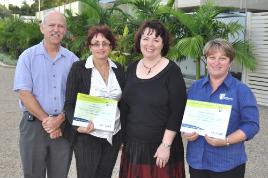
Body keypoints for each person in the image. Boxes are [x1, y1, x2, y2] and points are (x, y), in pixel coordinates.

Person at [13, 10, 79, 178]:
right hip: (34, 126)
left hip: (64, 127)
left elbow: (77, 96)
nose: (56, 29)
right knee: (33, 173)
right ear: (42, 28)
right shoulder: (27, 57)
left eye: (61, 26)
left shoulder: (73, 61)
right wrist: (48, 121)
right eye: (51, 25)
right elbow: (24, 93)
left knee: (60, 174)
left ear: (65, 30)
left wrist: (59, 120)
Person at [119, 20, 187, 178]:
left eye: (156, 40)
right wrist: (123, 139)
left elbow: (177, 111)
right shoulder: (131, 68)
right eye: (146, 38)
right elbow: (125, 106)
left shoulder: (172, 72)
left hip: (161, 148)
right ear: (139, 41)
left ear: (163, 44)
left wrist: (166, 145)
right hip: (134, 146)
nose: (150, 44)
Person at [184, 38, 260, 178]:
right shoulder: (195, 87)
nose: (216, 62)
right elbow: (187, 116)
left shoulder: (241, 90)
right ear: (206, 60)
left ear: (230, 62)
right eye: (212, 57)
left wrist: (226, 140)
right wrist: (188, 132)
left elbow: (252, 125)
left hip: (227, 163)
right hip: (197, 162)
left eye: (222, 58)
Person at [62, 24, 125, 178]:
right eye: (96, 43)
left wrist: (124, 134)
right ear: (90, 46)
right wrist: (78, 127)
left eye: (105, 43)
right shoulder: (79, 68)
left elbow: (123, 104)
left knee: (105, 175)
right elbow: (69, 104)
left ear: (111, 45)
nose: (100, 47)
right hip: (87, 135)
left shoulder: (119, 69)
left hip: (113, 135)